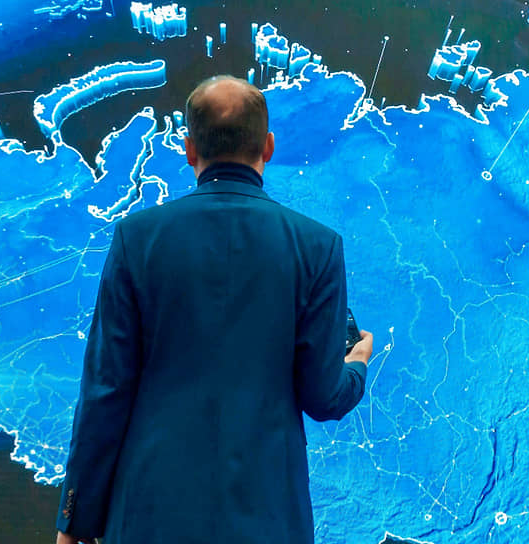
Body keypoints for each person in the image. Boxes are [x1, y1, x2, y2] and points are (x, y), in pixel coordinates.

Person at [55, 75, 373, 544]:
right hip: (268, 523)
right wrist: (356, 365)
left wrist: (75, 519)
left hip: (148, 519)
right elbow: (323, 398)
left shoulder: (135, 238)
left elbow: (105, 391)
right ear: (268, 147)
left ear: (188, 150)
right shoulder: (319, 247)